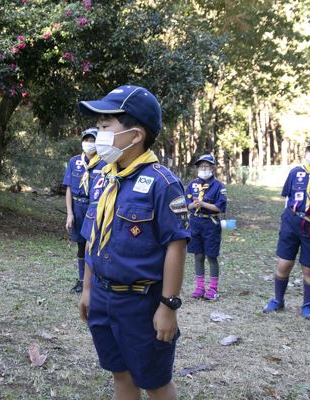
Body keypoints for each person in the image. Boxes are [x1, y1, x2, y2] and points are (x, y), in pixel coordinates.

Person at [77, 85, 190, 400]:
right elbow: (92, 239)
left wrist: (168, 306)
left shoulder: (163, 184)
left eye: (105, 127)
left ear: (135, 135)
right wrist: (87, 289)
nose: (98, 135)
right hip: (102, 296)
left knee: (154, 382)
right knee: (120, 374)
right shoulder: (104, 178)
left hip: (142, 303)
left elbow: (176, 246)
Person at [263, 135, 310, 320]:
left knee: (309, 269)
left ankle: (307, 306)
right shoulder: (295, 173)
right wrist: (290, 219)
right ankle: (278, 300)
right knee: (284, 263)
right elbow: (287, 198)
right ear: (306, 152)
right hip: (291, 222)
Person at [62, 128, 106, 293]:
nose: (89, 143)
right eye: (86, 140)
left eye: (92, 140)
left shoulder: (105, 163)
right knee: (81, 246)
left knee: (95, 245)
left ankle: (95, 280)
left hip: (95, 207)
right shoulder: (74, 162)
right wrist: (70, 214)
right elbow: (69, 190)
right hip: (78, 208)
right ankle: (82, 280)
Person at [185, 154, 227, 300]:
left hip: (211, 223)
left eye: (207, 166)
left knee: (211, 256)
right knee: (198, 255)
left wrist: (203, 204)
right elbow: (186, 205)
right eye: (201, 166)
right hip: (195, 223)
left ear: (213, 168)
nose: (203, 169)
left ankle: (213, 288)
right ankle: (200, 287)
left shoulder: (218, 186)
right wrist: (193, 204)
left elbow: (219, 207)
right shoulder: (192, 185)